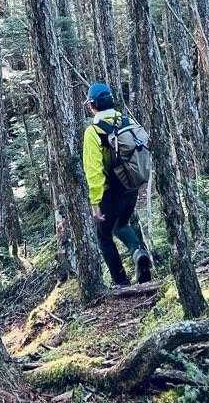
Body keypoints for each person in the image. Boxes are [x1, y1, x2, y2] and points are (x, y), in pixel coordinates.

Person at [82, 82, 152, 286]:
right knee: (121, 225)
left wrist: (95, 202)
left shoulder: (93, 132)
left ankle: (121, 282)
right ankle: (138, 252)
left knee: (103, 237)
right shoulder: (126, 121)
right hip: (131, 186)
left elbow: (94, 171)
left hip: (110, 191)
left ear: (92, 105)